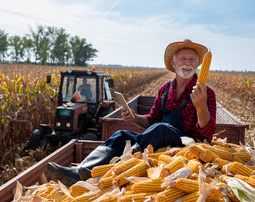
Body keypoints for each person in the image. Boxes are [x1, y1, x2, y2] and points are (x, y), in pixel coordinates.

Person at [47, 39, 217, 186]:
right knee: (121, 135)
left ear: (198, 64)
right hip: (159, 139)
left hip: (187, 146)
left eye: (192, 60)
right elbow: (152, 120)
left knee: (162, 128)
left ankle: (119, 168)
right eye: (182, 59)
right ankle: (80, 171)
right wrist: (134, 118)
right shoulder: (165, 89)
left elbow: (206, 135)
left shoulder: (206, 93)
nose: (187, 63)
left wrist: (201, 107)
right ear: (173, 63)